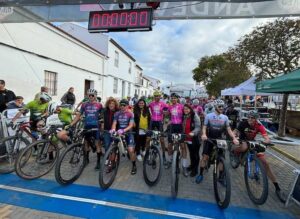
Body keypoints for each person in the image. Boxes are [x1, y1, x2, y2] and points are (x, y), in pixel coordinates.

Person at [232, 110, 286, 203]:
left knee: (265, 163)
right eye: (249, 117)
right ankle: (235, 154)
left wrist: (266, 141)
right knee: (243, 146)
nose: (250, 119)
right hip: (242, 141)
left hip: (252, 142)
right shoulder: (243, 123)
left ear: (256, 119)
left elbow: (266, 137)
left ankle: (277, 187)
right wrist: (234, 137)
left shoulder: (259, 126)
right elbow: (235, 132)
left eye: (252, 118)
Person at [196, 99, 239, 183]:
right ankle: (200, 174)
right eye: (220, 106)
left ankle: (221, 178)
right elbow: (204, 127)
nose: (221, 108)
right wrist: (204, 134)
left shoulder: (225, 117)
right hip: (210, 138)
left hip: (220, 140)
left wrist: (234, 138)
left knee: (222, 159)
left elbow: (229, 129)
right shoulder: (209, 116)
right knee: (205, 157)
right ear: (215, 107)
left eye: (223, 106)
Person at [58, 89, 103, 170]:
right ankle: (86, 160)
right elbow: (78, 115)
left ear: (96, 95)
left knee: (97, 144)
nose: (91, 96)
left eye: (93, 95)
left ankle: (98, 162)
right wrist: (71, 125)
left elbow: (103, 116)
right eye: (89, 95)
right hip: (86, 126)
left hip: (96, 127)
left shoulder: (99, 105)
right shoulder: (84, 105)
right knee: (86, 143)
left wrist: (102, 123)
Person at [110, 99, 136, 175]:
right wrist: (113, 129)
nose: (122, 107)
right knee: (113, 149)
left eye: (124, 105)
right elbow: (114, 123)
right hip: (119, 132)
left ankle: (134, 165)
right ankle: (112, 164)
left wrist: (124, 130)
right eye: (121, 105)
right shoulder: (117, 113)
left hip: (128, 133)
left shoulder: (130, 113)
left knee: (131, 150)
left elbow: (131, 125)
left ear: (127, 106)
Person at [148, 90, 169, 165]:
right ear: (154, 97)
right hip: (152, 121)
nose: (157, 97)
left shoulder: (163, 104)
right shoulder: (151, 103)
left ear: (160, 97)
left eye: (158, 96)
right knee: (148, 138)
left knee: (162, 140)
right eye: (156, 96)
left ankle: (163, 156)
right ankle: (147, 154)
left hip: (160, 122)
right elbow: (144, 108)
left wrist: (166, 115)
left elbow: (169, 109)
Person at [166, 93, 184, 169]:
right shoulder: (170, 107)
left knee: (182, 145)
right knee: (170, 144)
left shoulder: (181, 106)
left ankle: (184, 165)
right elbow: (167, 116)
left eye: (175, 98)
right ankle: (169, 161)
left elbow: (186, 115)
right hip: (172, 126)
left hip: (180, 126)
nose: (173, 99)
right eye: (172, 98)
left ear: (177, 99)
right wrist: (167, 121)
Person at [182, 104, 201, 177]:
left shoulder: (195, 116)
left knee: (195, 154)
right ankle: (192, 166)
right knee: (191, 153)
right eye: (184, 109)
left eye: (187, 109)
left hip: (194, 138)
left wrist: (193, 133)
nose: (185, 110)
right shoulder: (185, 116)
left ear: (190, 109)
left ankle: (195, 170)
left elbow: (198, 127)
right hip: (187, 138)